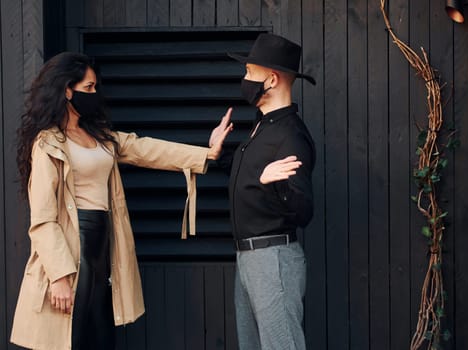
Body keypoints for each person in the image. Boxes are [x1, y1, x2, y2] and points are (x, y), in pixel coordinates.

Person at [10, 52, 232, 350]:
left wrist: (206, 154)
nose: (94, 94)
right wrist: (58, 276)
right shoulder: (47, 144)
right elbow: (43, 218)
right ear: (66, 90)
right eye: (88, 88)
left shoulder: (99, 136)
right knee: (70, 338)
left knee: (100, 334)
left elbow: (145, 149)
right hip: (74, 247)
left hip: (103, 245)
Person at [209, 33, 316, 350]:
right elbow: (251, 178)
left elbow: (304, 211)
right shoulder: (263, 125)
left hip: (273, 260)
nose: (244, 80)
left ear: (271, 79)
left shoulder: (291, 136)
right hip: (250, 258)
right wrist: (218, 155)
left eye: (249, 73)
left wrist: (277, 184)